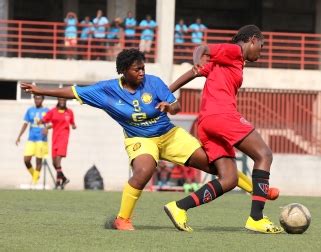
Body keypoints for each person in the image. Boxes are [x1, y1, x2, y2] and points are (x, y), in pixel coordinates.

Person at [20, 48, 257, 231]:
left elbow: (175, 105)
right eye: (137, 69)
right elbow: (73, 92)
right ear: (123, 71)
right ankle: (122, 220)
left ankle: (258, 190)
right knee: (144, 170)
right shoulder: (106, 91)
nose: (142, 72)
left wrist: (170, 106)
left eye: (143, 68)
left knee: (217, 164)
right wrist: (41, 90)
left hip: (169, 134)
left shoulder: (153, 82)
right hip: (139, 139)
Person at [165, 24, 283, 234]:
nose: (260, 53)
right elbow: (202, 49)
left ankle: (179, 207)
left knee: (229, 179)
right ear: (253, 40)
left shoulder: (223, 64)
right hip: (222, 116)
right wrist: (198, 57)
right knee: (264, 155)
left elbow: (193, 73)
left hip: (206, 123)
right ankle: (256, 218)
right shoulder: (234, 51)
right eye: (261, 47)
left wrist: (166, 94)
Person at [41, 98, 76, 189]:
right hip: (55, 138)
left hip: (64, 138)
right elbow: (44, 120)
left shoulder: (69, 112)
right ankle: (63, 179)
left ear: (66, 101)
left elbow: (72, 122)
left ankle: (58, 181)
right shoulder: (53, 111)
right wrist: (45, 128)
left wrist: (73, 125)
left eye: (64, 100)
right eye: (61, 100)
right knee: (54, 162)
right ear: (58, 100)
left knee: (58, 160)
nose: (62, 101)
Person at [15, 95, 49, 185]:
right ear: (34, 99)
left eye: (39, 98)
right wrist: (19, 136)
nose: (37, 100)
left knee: (38, 161)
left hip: (41, 139)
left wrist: (47, 128)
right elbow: (25, 124)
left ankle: (34, 182)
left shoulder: (46, 111)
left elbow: (52, 123)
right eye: (36, 98)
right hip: (31, 138)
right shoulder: (30, 110)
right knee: (26, 160)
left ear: (42, 99)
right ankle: (35, 175)